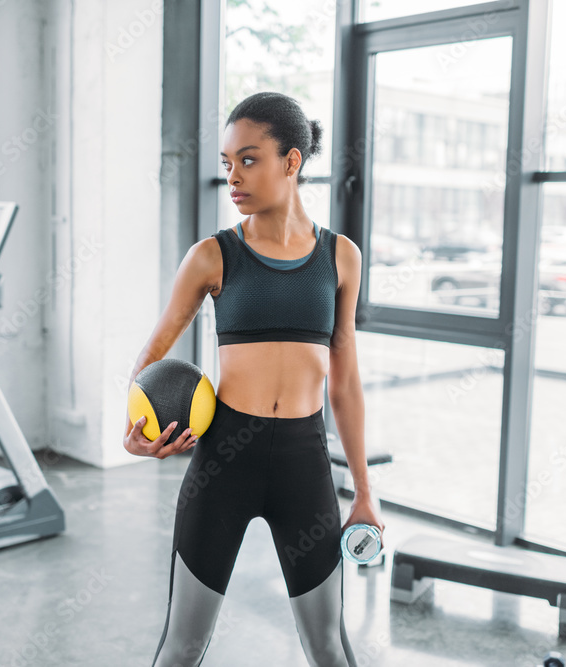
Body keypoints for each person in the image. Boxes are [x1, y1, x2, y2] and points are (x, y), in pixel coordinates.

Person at [123, 91, 385, 667]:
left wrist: (364, 491)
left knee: (327, 647)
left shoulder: (341, 257)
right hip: (223, 464)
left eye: (248, 159)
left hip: (303, 463)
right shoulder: (212, 256)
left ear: (291, 162)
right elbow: (157, 347)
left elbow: (344, 382)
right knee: (182, 647)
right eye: (226, 164)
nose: (233, 177)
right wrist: (133, 424)